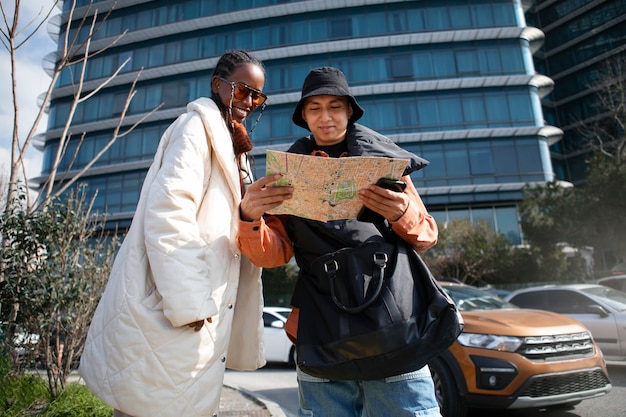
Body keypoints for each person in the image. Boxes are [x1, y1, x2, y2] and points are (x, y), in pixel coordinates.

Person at [237, 66, 442, 416]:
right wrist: (249, 217)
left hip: (391, 323)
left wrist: (401, 211)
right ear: (303, 116)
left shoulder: (385, 162)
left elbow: (426, 236)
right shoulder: (285, 174)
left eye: (335, 106)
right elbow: (272, 256)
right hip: (321, 327)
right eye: (314, 108)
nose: (325, 117)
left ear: (349, 111)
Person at [79, 50, 269, 417]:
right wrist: (190, 301)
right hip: (180, 305)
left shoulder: (235, 147)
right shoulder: (195, 128)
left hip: (200, 308)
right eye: (243, 90)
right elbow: (169, 213)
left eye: (257, 96)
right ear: (218, 85)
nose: (248, 102)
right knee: (153, 403)